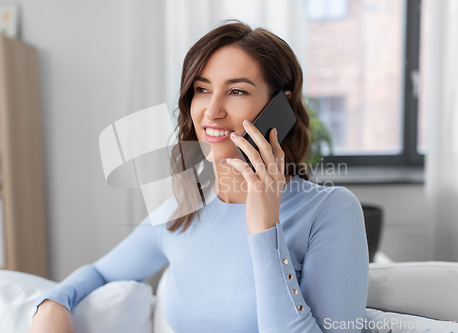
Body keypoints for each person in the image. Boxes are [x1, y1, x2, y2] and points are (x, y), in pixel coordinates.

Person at [29, 19, 369, 333]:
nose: (212, 110)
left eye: (237, 91)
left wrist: (265, 229)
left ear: (280, 106)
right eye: (202, 89)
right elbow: (101, 273)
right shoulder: (182, 212)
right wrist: (53, 304)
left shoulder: (331, 211)